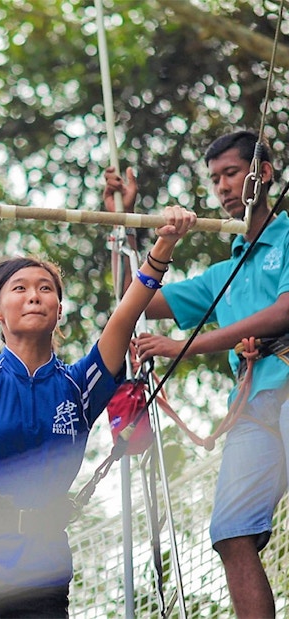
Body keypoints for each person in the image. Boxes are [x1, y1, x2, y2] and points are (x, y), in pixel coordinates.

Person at [0, 189, 196, 618]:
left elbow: (124, 315)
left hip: (41, 565)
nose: (34, 296)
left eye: (45, 288)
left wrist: (165, 243)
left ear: (59, 309)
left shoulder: (78, 385)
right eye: (20, 288)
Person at [104, 130, 289, 619]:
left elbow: (284, 312)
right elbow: (136, 295)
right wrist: (130, 228)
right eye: (215, 179)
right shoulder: (221, 272)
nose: (224, 187)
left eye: (232, 173)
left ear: (263, 174)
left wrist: (183, 347)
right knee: (230, 534)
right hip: (252, 408)